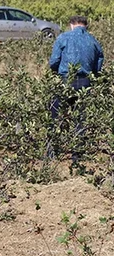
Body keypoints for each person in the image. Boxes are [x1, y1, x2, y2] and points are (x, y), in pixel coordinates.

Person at [47, 15, 104, 161]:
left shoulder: (63, 37)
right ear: (86, 26)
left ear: (71, 24)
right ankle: (77, 156)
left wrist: (57, 72)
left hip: (66, 80)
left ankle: (51, 152)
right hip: (85, 83)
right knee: (81, 118)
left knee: (54, 116)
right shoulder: (94, 41)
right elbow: (98, 65)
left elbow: (54, 61)